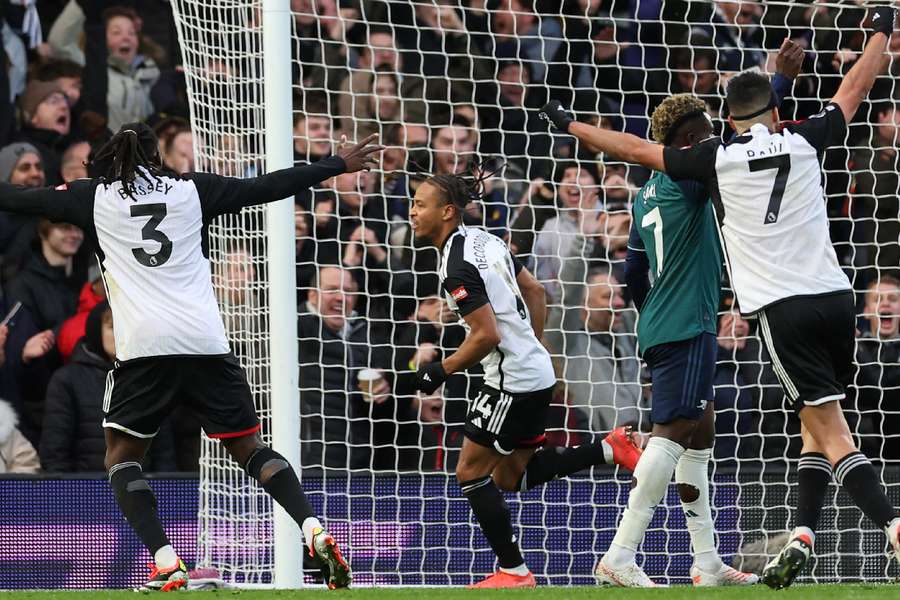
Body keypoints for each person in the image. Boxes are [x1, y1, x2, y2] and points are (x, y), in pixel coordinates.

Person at [540, 7, 900, 590]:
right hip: (803, 303)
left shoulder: (686, 176)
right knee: (719, 429)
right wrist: (880, 32)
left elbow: (635, 169)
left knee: (738, 430)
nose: (713, 133)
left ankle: (726, 557)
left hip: (716, 315)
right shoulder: (793, 144)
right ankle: (632, 553)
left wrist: (572, 125)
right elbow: (851, 87)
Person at [0, 121, 382, 590]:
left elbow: (19, 200)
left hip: (144, 348)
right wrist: (334, 165)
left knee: (121, 456)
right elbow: (266, 186)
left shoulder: (91, 195)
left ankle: (166, 561)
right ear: (157, 158)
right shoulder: (192, 189)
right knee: (249, 449)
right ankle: (312, 528)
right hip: (205, 341)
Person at [409, 164, 642, 589]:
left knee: (469, 473)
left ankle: (514, 572)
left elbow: (485, 335)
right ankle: (610, 449)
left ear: (446, 212)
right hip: (533, 373)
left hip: (509, 383)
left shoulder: (456, 266)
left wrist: (439, 370)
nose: (411, 211)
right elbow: (535, 291)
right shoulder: (486, 240)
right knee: (510, 476)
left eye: (420, 205)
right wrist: (532, 345)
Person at [591, 93, 759, 587]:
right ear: (688, 141)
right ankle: (619, 555)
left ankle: (707, 563)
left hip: (664, 322)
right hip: (688, 323)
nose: (712, 141)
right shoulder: (690, 181)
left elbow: (633, 273)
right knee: (672, 432)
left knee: (699, 433)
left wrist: (655, 312)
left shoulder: (646, 194)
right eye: (706, 133)